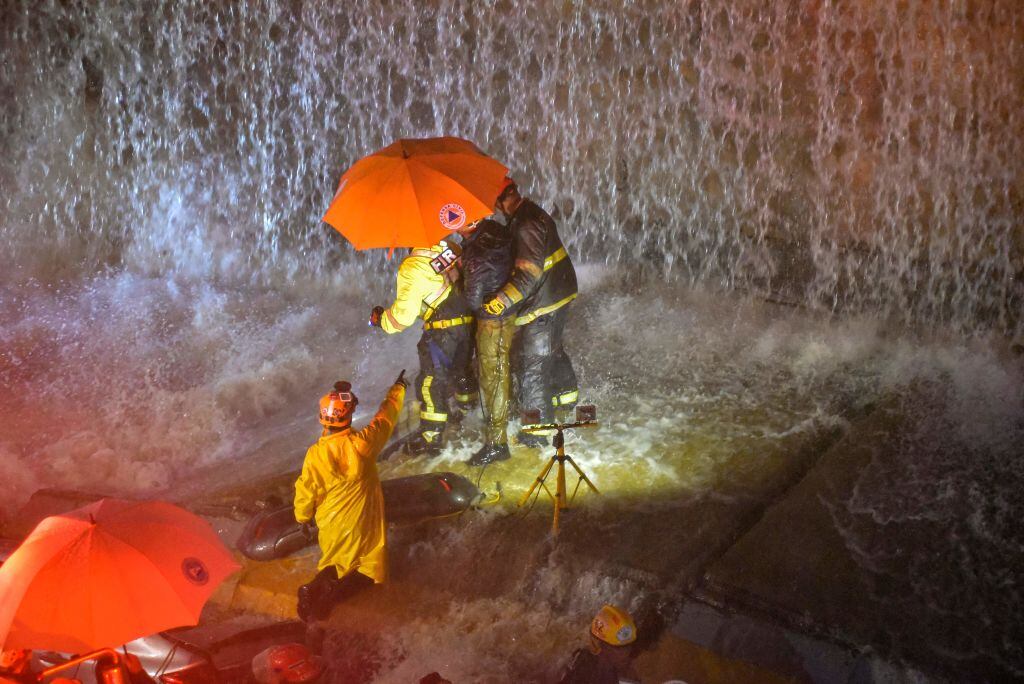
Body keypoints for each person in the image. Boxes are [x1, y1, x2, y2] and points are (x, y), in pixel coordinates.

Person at [293, 372, 407, 622]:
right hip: (358, 520)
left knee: (334, 562)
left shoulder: (315, 454)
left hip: (330, 521)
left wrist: (302, 517)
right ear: (349, 415)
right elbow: (385, 418)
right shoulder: (362, 444)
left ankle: (314, 588)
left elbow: (305, 489)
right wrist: (397, 388)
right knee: (369, 568)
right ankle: (331, 595)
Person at [484, 178, 579, 446]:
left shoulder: (526, 224)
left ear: (500, 201)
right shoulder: (527, 214)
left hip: (545, 299)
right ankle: (565, 399)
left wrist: (500, 301)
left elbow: (528, 274)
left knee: (532, 364)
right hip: (556, 291)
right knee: (551, 348)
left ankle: (536, 432)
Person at [371, 236, 474, 456]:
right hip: (467, 323)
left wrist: (381, 320)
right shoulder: (451, 247)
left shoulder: (412, 265)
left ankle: (431, 437)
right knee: (461, 371)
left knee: (430, 382)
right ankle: (469, 413)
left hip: (442, 331)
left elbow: (403, 317)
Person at [461, 217, 516, 466]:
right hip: (506, 313)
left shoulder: (476, 253)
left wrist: (459, 273)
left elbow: (472, 301)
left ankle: (497, 444)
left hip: (491, 321)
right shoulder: (495, 231)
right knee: (500, 373)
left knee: (493, 378)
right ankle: (501, 424)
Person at [558, 605, 640, 684]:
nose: (626, 652)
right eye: (619, 648)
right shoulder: (585, 671)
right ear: (602, 645)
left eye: (628, 646)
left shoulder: (608, 668)